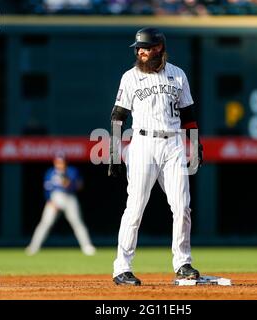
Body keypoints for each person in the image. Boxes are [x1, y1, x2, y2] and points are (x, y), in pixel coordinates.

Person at [108, 27, 203, 285]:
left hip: (173, 144)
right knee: (135, 207)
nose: (140, 51)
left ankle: (183, 263)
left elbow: (189, 116)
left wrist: (194, 144)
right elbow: (118, 116)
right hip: (143, 144)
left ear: (159, 48)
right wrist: (115, 153)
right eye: (139, 48)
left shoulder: (178, 75)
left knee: (182, 207)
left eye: (145, 47)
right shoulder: (130, 77)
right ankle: (122, 268)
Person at [26, 153, 96, 256]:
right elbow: (47, 188)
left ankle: (87, 246)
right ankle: (33, 247)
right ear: (55, 162)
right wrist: (50, 201)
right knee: (45, 223)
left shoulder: (72, 171)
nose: (60, 164)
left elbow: (77, 186)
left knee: (77, 223)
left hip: (69, 198)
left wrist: (68, 181)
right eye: (58, 162)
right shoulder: (51, 172)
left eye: (62, 162)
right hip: (55, 198)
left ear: (65, 162)